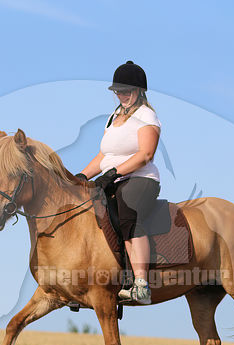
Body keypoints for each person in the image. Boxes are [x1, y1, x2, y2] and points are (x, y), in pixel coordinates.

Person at [75, 61, 161, 305]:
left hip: (140, 180)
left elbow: (146, 154)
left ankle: (141, 284)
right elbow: (104, 155)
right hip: (112, 179)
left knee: (127, 217)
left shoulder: (147, 116)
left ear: (139, 91)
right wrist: (82, 176)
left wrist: (113, 173)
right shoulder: (114, 118)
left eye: (126, 91)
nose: (122, 96)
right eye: (118, 92)